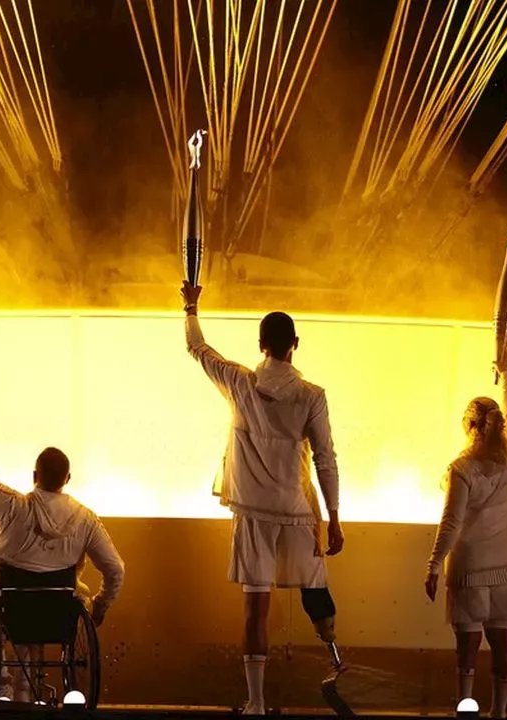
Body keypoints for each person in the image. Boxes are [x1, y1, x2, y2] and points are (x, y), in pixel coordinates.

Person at [179, 282, 344, 715]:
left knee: (256, 610)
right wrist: (336, 517)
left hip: (252, 515)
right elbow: (326, 461)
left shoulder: (239, 382)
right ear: (295, 345)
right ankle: (336, 662)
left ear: (260, 345)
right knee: (315, 589)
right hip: (296, 513)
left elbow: (198, 348)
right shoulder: (312, 396)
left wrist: (191, 306)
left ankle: (255, 701)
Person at [0, 410, 125, 702]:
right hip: (59, 615)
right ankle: (29, 693)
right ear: (68, 478)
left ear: (34, 476)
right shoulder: (86, 521)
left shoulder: (13, 507)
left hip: (8, 609)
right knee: (63, 603)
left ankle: (2, 684)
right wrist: (100, 605)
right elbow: (116, 569)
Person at [425, 352, 507, 719]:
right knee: (503, 641)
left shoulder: (460, 469)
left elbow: (451, 522)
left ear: (468, 425)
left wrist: (433, 564)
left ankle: (465, 710)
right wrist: (506, 374)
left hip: (469, 567)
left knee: (467, 644)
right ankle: (499, 713)